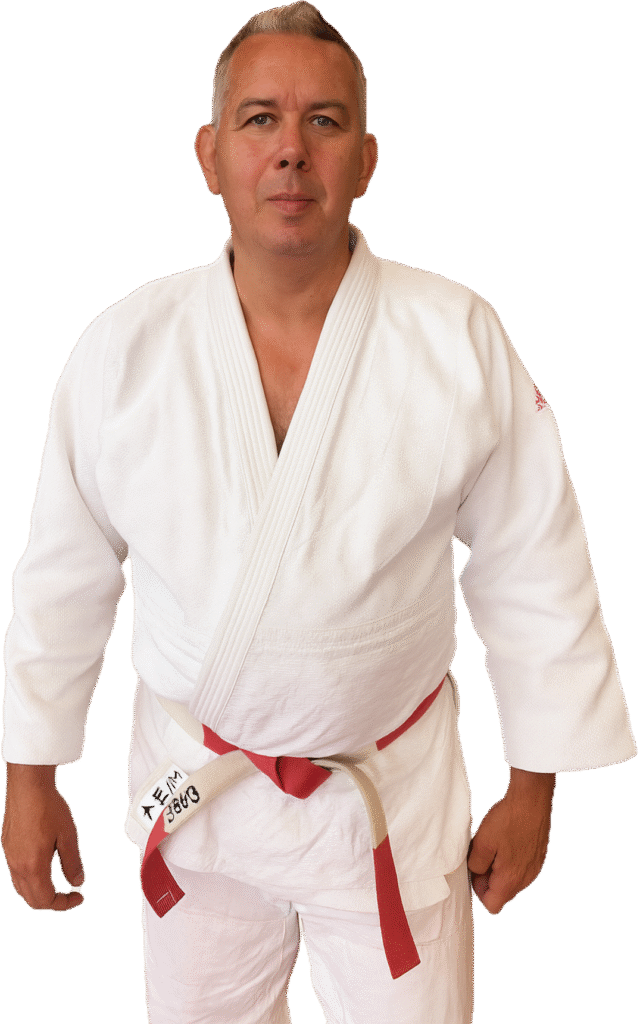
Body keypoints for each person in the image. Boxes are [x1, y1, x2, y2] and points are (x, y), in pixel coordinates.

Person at [1, 3, 636, 1022]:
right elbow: (63, 577)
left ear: (366, 160)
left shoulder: (455, 335)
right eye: (259, 119)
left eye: (324, 121)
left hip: (386, 804)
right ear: (209, 155)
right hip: (198, 800)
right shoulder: (124, 350)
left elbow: (533, 563)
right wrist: (29, 776)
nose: (290, 149)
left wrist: (535, 786)